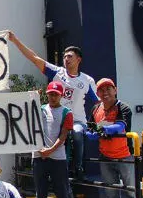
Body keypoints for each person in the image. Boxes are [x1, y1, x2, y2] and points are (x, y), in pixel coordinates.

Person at [8, 32, 99, 179]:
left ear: (78, 59)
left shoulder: (87, 80)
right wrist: (15, 40)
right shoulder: (57, 72)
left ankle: (78, 167)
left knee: (76, 134)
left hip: (76, 120)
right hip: (56, 119)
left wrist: (98, 124)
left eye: (70, 56)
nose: (66, 59)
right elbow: (34, 58)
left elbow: (98, 102)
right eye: (64, 56)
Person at [86, 78, 137, 198]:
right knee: (111, 194)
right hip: (105, 157)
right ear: (98, 94)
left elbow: (121, 126)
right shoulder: (95, 109)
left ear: (115, 90)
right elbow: (90, 129)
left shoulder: (124, 108)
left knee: (130, 193)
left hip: (125, 156)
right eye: (101, 90)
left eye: (109, 89)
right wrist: (91, 134)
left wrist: (102, 129)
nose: (105, 92)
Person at [34, 81, 78, 198]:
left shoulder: (67, 112)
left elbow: (64, 135)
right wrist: (40, 149)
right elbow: (29, 125)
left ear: (61, 95)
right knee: (40, 194)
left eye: (55, 94)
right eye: (50, 94)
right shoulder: (40, 109)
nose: (52, 97)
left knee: (62, 193)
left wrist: (51, 150)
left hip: (58, 157)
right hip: (39, 156)